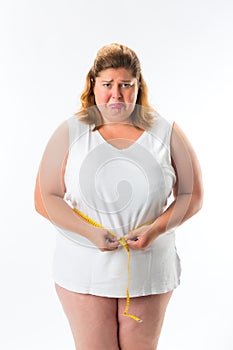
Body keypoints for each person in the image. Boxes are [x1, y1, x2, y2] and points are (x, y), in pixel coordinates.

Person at [34, 43, 203, 350]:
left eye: (126, 85)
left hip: (149, 268)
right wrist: (90, 233)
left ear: (139, 87)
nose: (117, 95)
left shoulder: (166, 132)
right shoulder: (70, 132)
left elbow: (192, 194)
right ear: (93, 85)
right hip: (83, 267)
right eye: (107, 85)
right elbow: (45, 197)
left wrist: (154, 230)